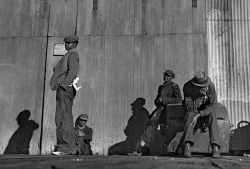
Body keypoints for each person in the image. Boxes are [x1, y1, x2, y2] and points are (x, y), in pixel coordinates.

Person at [128, 70, 182, 156]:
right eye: (165, 75)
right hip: (160, 111)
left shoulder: (174, 86)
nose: (165, 77)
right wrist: (158, 101)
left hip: (168, 112)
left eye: (168, 76)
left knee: (154, 127)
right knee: (150, 126)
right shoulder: (161, 87)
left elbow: (178, 99)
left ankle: (141, 149)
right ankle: (141, 149)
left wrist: (164, 100)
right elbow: (157, 101)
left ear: (172, 78)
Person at [50, 35, 80, 155]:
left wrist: (63, 84)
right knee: (64, 116)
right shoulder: (68, 55)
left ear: (75, 44)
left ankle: (64, 148)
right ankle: (70, 148)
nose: (66, 45)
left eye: (69, 43)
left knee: (62, 117)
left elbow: (73, 71)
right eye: (66, 43)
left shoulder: (72, 55)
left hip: (65, 89)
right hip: (65, 88)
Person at [182, 72, 221, 158]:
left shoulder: (210, 85)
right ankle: (187, 146)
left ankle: (215, 148)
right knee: (189, 117)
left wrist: (200, 114)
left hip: (206, 109)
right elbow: (190, 107)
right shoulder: (187, 86)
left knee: (212, 116)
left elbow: (213, 104)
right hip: (193, 109)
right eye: (202, 86)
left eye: (205, 85)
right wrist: (200, 97)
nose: (205, 87)